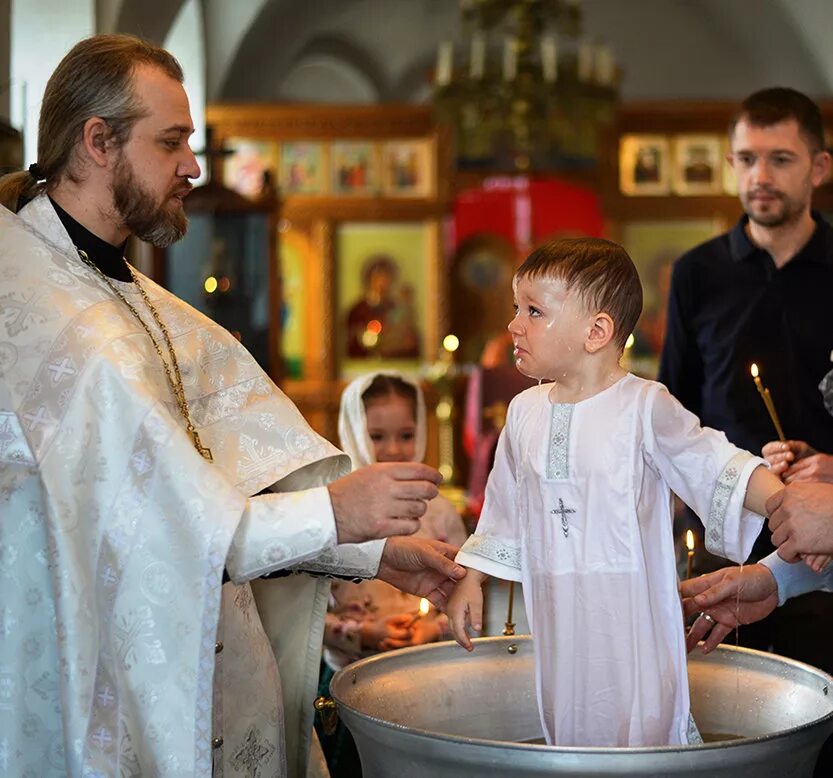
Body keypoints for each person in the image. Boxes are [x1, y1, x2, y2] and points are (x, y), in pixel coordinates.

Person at [0, 35, 465, 777]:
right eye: (172, 142)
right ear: (96, 143)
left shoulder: (128, 296)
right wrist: (337, 516)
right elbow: (166, 533)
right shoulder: (51, 316)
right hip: (104, 691)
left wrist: (373, 553)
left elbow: (223, 491)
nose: (192, 165)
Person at [446, 237, 785, 748]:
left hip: (630, 608)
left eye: (533, 311)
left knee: (640, 725)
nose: (514, 324)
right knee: (568, 723)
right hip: (558, 605)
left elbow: (715, 465)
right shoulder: (524, 412)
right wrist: (472, 576)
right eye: (516, 308)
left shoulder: (644, 406)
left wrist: (784, 503)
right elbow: (505, 505)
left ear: (597, 330)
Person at [658, 86, 833, 668]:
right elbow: (673, 410)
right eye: (747, 159)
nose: (760, 175)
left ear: (819, 167)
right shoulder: (697, 273)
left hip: (825, 538)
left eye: (780, 159)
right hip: (724, 533)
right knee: (726, 708)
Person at [317, 372, 468, 776]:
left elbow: (464, 599)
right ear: (352, 430)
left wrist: (431, 631)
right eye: (377, 436)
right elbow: (302, 613)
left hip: (427, 685)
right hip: (346, 687)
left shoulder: (438, 512)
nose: (392, 449)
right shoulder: (332, 513)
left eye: (405, 434)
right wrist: (361, 634)